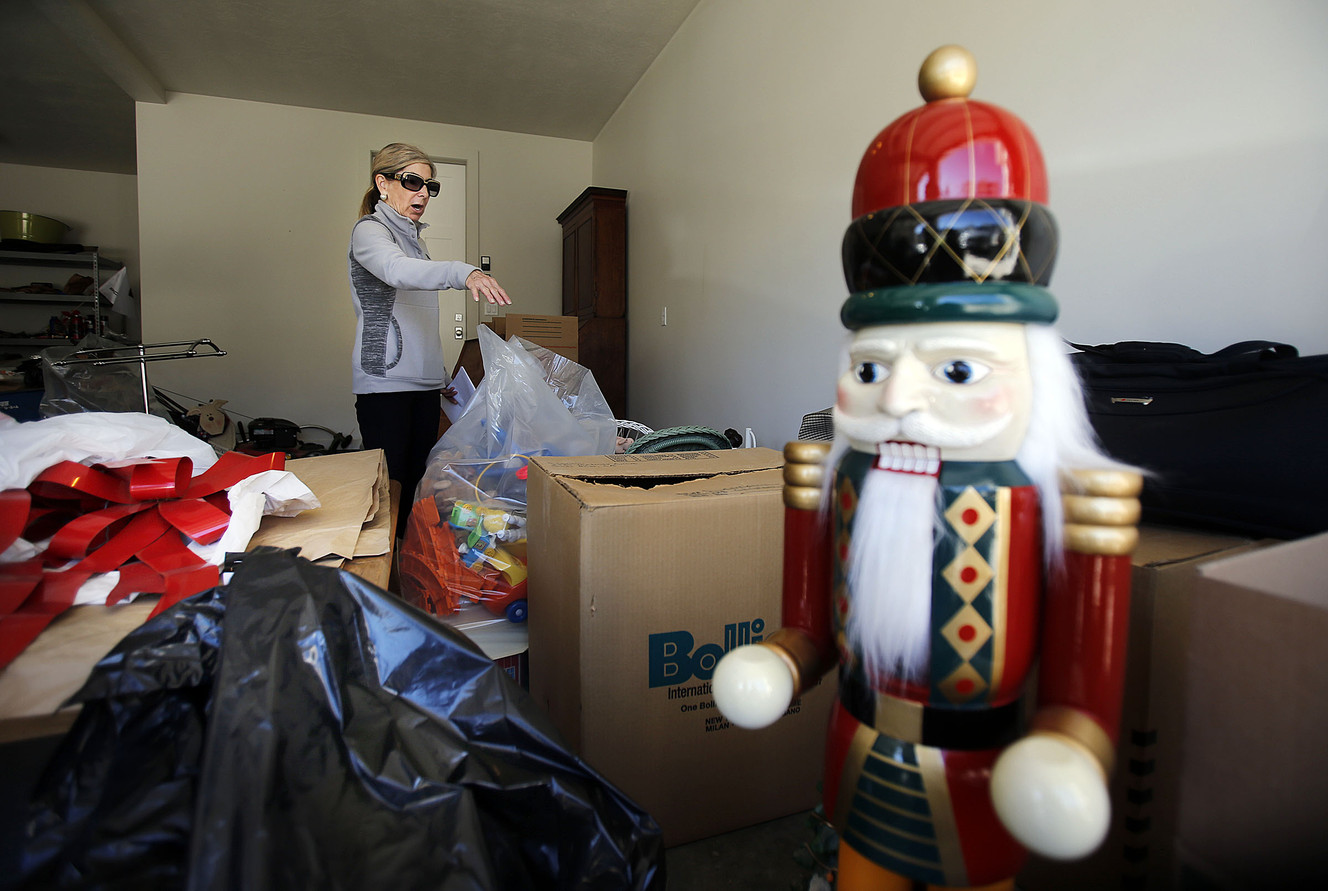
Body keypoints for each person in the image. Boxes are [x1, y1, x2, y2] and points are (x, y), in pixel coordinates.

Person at [712, 47, 1142, 890]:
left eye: (953, 371)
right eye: (870, 370)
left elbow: (1083, 685)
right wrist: (782, 661)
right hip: (861, 751)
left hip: (987, 775)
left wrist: (1067, 748)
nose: (900, 399)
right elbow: (812, 624)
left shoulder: (1069, 502)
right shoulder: (837, 482)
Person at [349, 143, 510, 535]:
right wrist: (464, 272)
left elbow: (419, 317)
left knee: (420, 483)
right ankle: (387, 581)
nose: (423, 192)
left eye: (429, 186)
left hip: (422, 385)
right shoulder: (370, 231)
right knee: (391, 491)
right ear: (383, 184)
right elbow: (395, 271)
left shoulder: (416, 241)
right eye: (412, 182)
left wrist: (438, 377)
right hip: (385, 382)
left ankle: (413, 573)